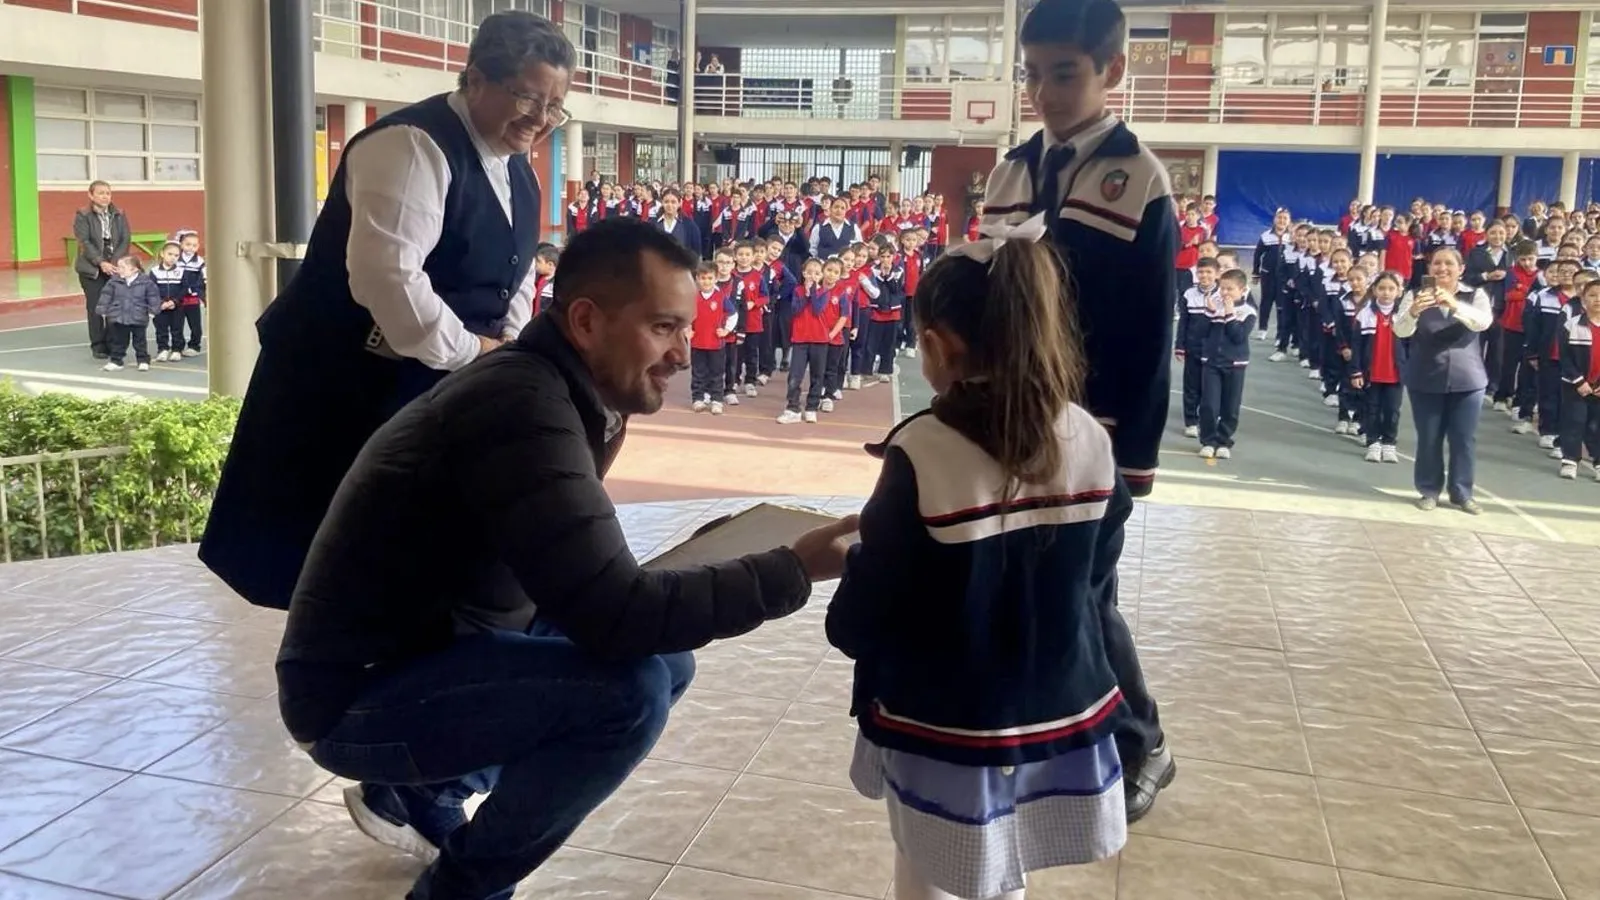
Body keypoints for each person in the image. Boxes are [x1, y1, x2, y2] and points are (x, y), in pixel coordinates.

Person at [278, 219, 858, 900]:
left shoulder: (566, 391)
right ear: (585, 321)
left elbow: (585, 582)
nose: (683, 353)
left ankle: (422, 794)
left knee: (666, 662)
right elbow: (616, 615)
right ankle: (458, 891)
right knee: (627, 697)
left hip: (443, 642)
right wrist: (791, 569)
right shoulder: (521, 407)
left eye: (686, 329)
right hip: (354, 697)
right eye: (664, 328)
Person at [201, 12, 573, 611]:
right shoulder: (410, 146)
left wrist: (508, 338)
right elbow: (390, 280)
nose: (542, 119)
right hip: (352, 385)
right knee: (335, 563)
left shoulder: (515, 166)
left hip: (440, 376)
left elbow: (519, 267)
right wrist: (479, 352)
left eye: (556, 106)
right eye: (529, 98)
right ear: (477, 78)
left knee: (417, 564)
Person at [829, 218, 1128, 900]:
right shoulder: (1088, 436)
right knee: (1001, 866)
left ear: (938, 344)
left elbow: (868, 611)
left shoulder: (922, 449)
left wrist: (851, 566)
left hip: (946, 721)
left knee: (931, 871)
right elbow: (1095, 577)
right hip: (1057, 702)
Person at [977, 0, 1175, 823]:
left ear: (1111, 71)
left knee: (1086, 594)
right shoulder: (1012, 171)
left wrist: (1134, 454)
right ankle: (1052, 734)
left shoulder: (1138, 178)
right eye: (1032, 74)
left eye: (1064, 73)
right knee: (1026, 584)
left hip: (1094, 428)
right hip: (1010, 419)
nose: (1045, 91)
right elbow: (985, 297)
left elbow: (1150, 328)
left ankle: (1141, 744)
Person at [1392, 247, 1494, 514]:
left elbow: (1483, 322)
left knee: (1463, 438)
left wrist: (1455, 305)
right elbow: (1400, 330)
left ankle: (1462, 493)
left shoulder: (1475, 295)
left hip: (1468, 378)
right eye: (1437, 263)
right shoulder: (1415, 295)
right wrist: (1414, 311)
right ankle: (1428, 490)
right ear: (1429, 268)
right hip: (1426, 376)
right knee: (1429, 437)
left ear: (1461, 269)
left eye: (1449, 263)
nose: (1442, 268)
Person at [1197, 269, 1255, 460]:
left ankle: (1223, 440)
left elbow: (1238, 336)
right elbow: (1201, 331)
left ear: (1242, 290)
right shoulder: (1215, 306)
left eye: (1230, 289)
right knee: (1209, 404)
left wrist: (1230, 314)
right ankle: (1208, 441)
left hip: (1235, 364)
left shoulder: (1248, 312)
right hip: (1212, 363)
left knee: (1231, 406)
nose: (1225, 293)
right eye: (1222, 288)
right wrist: (1209, 312)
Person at [1351, 271, 1408, 464]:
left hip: (1396, 373)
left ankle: (1389, 444)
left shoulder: (1404, 315)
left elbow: (1411, 345)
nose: (1386, 292)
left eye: (1391, 288)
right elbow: (1356, 346)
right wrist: (1356, 371)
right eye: (1382, 288)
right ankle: (1373, 443)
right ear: (1374, 290)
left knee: (1392, 411)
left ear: (1399, 291)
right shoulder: (1365, 314)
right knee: (1372, 410)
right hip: (1372, 373)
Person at [72, 180, 131, 361]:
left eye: (108, 193)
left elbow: (125, 239)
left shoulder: (119, 214)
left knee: (115, 305)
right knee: (96, 307)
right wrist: (101, 262)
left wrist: (114, 263)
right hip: (92, 268)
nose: (105, 196)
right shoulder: (83, 215)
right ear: (91, 195)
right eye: (101, 193)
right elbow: (84, 242)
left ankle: (112, 342)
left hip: (114, 265)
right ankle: (98, 345)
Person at [777, 258, 831, 425]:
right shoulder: (798, 290)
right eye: (809, 272)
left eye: (817, 273)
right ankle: (793, 408)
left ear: (821, 276)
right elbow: (796, 309)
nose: (813, 276)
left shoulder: (824, 292)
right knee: (795, 375)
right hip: (800, 339)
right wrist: (805, 294)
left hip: (819, 340)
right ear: (804, 273)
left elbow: (817, 309)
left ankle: (811, 407)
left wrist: (812, 291)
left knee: (817, 375)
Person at [1556, 280, 1600, 481]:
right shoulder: (1571, 324)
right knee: (1574, 421)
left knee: (1596, 426)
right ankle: (1570, 460)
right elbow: (1564, 356)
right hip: (1574, 385)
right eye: (1592, 295)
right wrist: (1579, 381)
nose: (1597, 299)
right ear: (1583, 300)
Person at [1176, 257, 1219, 438]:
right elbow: (1183, 322)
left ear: (1217, 274)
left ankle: (1207, 419)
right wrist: (1180, 346)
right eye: (1201, 272)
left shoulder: (1222, 295)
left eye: (1209, 272)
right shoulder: (1189, 294)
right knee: (1191, 386)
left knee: (1210, 387)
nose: (1204, 275)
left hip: (1214, 350)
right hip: (1193, 347)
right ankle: (1191, 421)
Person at [95, 255, 160, 373]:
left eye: (122, 267)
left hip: (138, 317)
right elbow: (106, 295)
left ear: (134, 269)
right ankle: (116, 361)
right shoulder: (114, 281)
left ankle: (143, 360)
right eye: (119, 267)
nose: (119, 269)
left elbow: (153, 297)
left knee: (140, 341)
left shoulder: (146, 282)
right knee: (118, 341)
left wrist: (153, 310)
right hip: (119, 317)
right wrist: (102, 309)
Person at [689, 261, 736, 414]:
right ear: (697, 279)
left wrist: (726, 330)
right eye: (703, 278)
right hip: (697, 343)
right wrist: (687, 329)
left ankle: (717, 400)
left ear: (716, 279)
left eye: (710, 278)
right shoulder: (693, 297)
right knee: (698, 373)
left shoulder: (721, 297)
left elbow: (733, 314)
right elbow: (685, 316)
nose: (706, 282)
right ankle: (698, 398)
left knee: (716, 373)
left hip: (716, 344)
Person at [172, 228, 207, 357]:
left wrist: (197, 291)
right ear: (181, 244)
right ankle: (177, 347)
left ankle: (194, 346)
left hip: (192, 298)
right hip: (178, 298)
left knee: (195, 324)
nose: (191, 248)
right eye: (188, 244)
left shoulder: (200, 262)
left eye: (194, 245)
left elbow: (202, 279)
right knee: (177, 324)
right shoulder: (176, 259)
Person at [149, 240, 186, 362]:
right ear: (162, 254)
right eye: (170, 254)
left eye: (176, 255)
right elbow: (152, 289)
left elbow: (184, 289)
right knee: (161, 329)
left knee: (177, 328)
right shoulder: (154, 271)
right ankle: (163, 349)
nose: (173, 257)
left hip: (177, 306)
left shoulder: (181, 271)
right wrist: (161, 303)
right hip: (160, 307)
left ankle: (177, 350)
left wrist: (174, 302)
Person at [655, 187, 702, 254]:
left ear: (680, 203)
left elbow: (696, 252)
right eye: (666, 202)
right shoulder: (653, 224)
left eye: (673, 202)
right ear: (662, 203)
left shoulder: (689, 226)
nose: (669, 205)